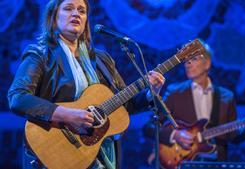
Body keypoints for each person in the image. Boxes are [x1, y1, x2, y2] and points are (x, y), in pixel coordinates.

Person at [7, 0, 165, 168]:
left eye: (81, 11)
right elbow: (18, 98)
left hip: (100, 155)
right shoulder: (40, 54)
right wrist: (68, 115)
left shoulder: (102, 60)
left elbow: (125, 106)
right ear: (53, 18)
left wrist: (150, 93)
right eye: (68, 8)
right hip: (56, 153)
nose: (76, 14)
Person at [144, 40, 245, 163]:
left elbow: (232, 136)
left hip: (216, 163)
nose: (188, 64)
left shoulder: (226, 96)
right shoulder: (174, 92)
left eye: (194, 59)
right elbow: (150, 127)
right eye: (186, 60)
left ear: (207, 63)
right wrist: (175, 135)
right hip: (182, 162)